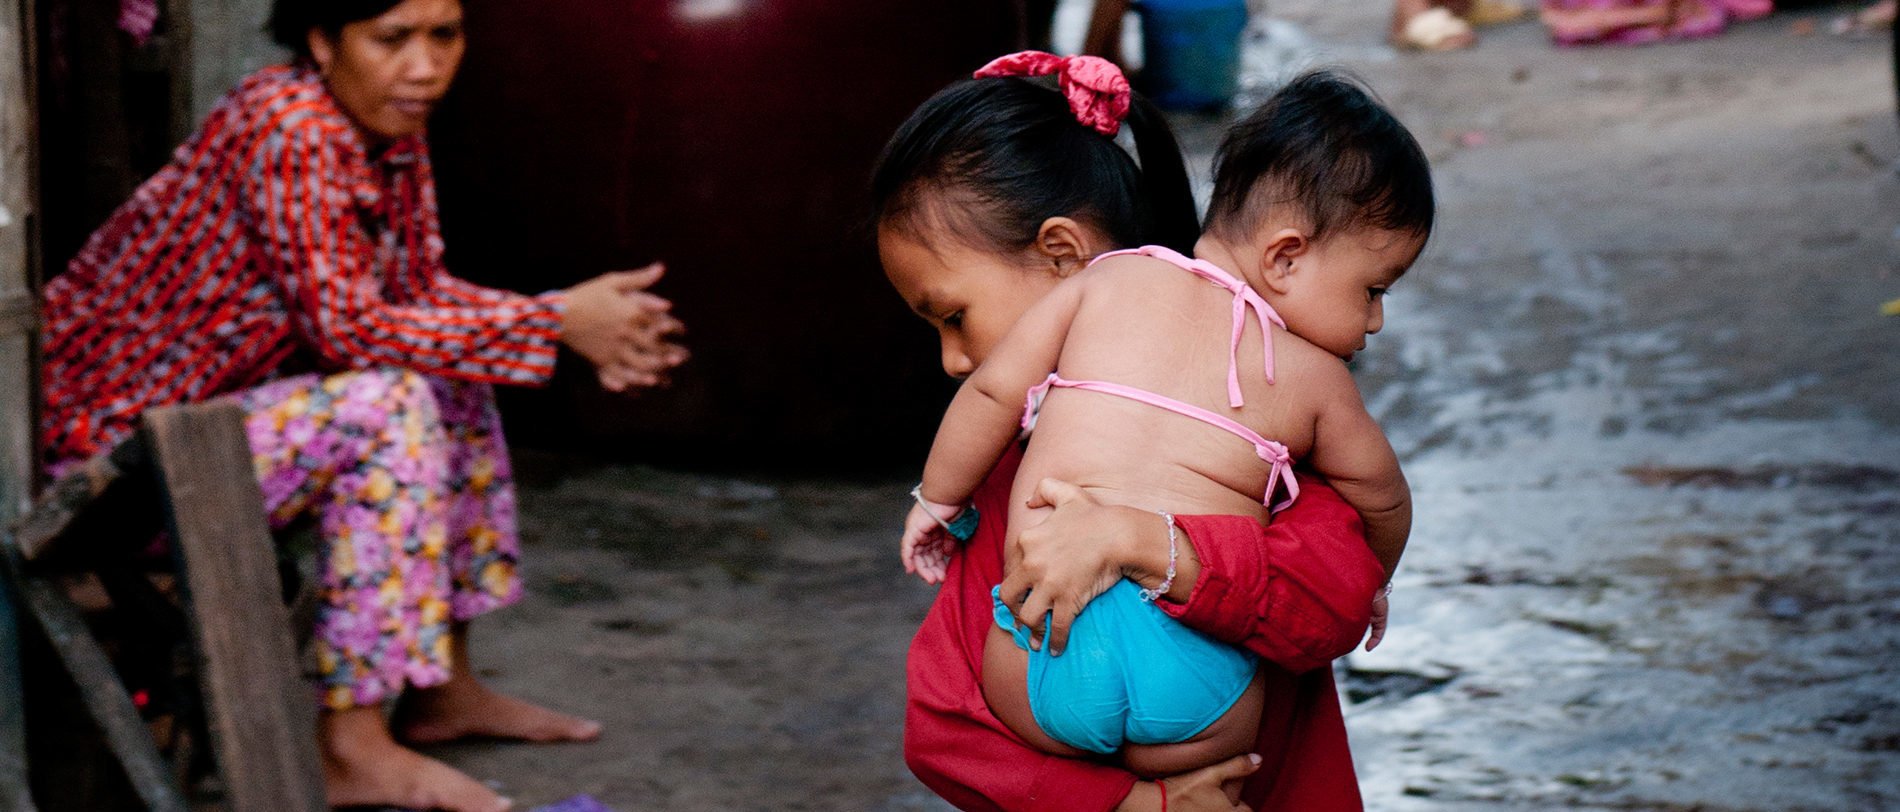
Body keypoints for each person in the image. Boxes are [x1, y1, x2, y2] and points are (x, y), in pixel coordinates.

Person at [37, 0, 686, 809]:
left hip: (206, 436)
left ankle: (441, 689)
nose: (423, 66)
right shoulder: (291, 125)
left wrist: (575, 323)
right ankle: (350, 745)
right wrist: (556, 320)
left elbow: (418, 297)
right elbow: (348, 329)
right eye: (392, 39)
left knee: (447, 375)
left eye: (444, 35)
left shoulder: (387, 131)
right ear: (321, 40)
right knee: (387, 401)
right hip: (101, 467)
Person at [873, 52, 1386, 811]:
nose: (954, 362)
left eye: (955, 318)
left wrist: (1146, 542)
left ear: (1063, 257)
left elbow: (1334, 604)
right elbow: (943, 727)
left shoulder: (1267, 423)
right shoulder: (1004, 479)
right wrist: (1139, 808)